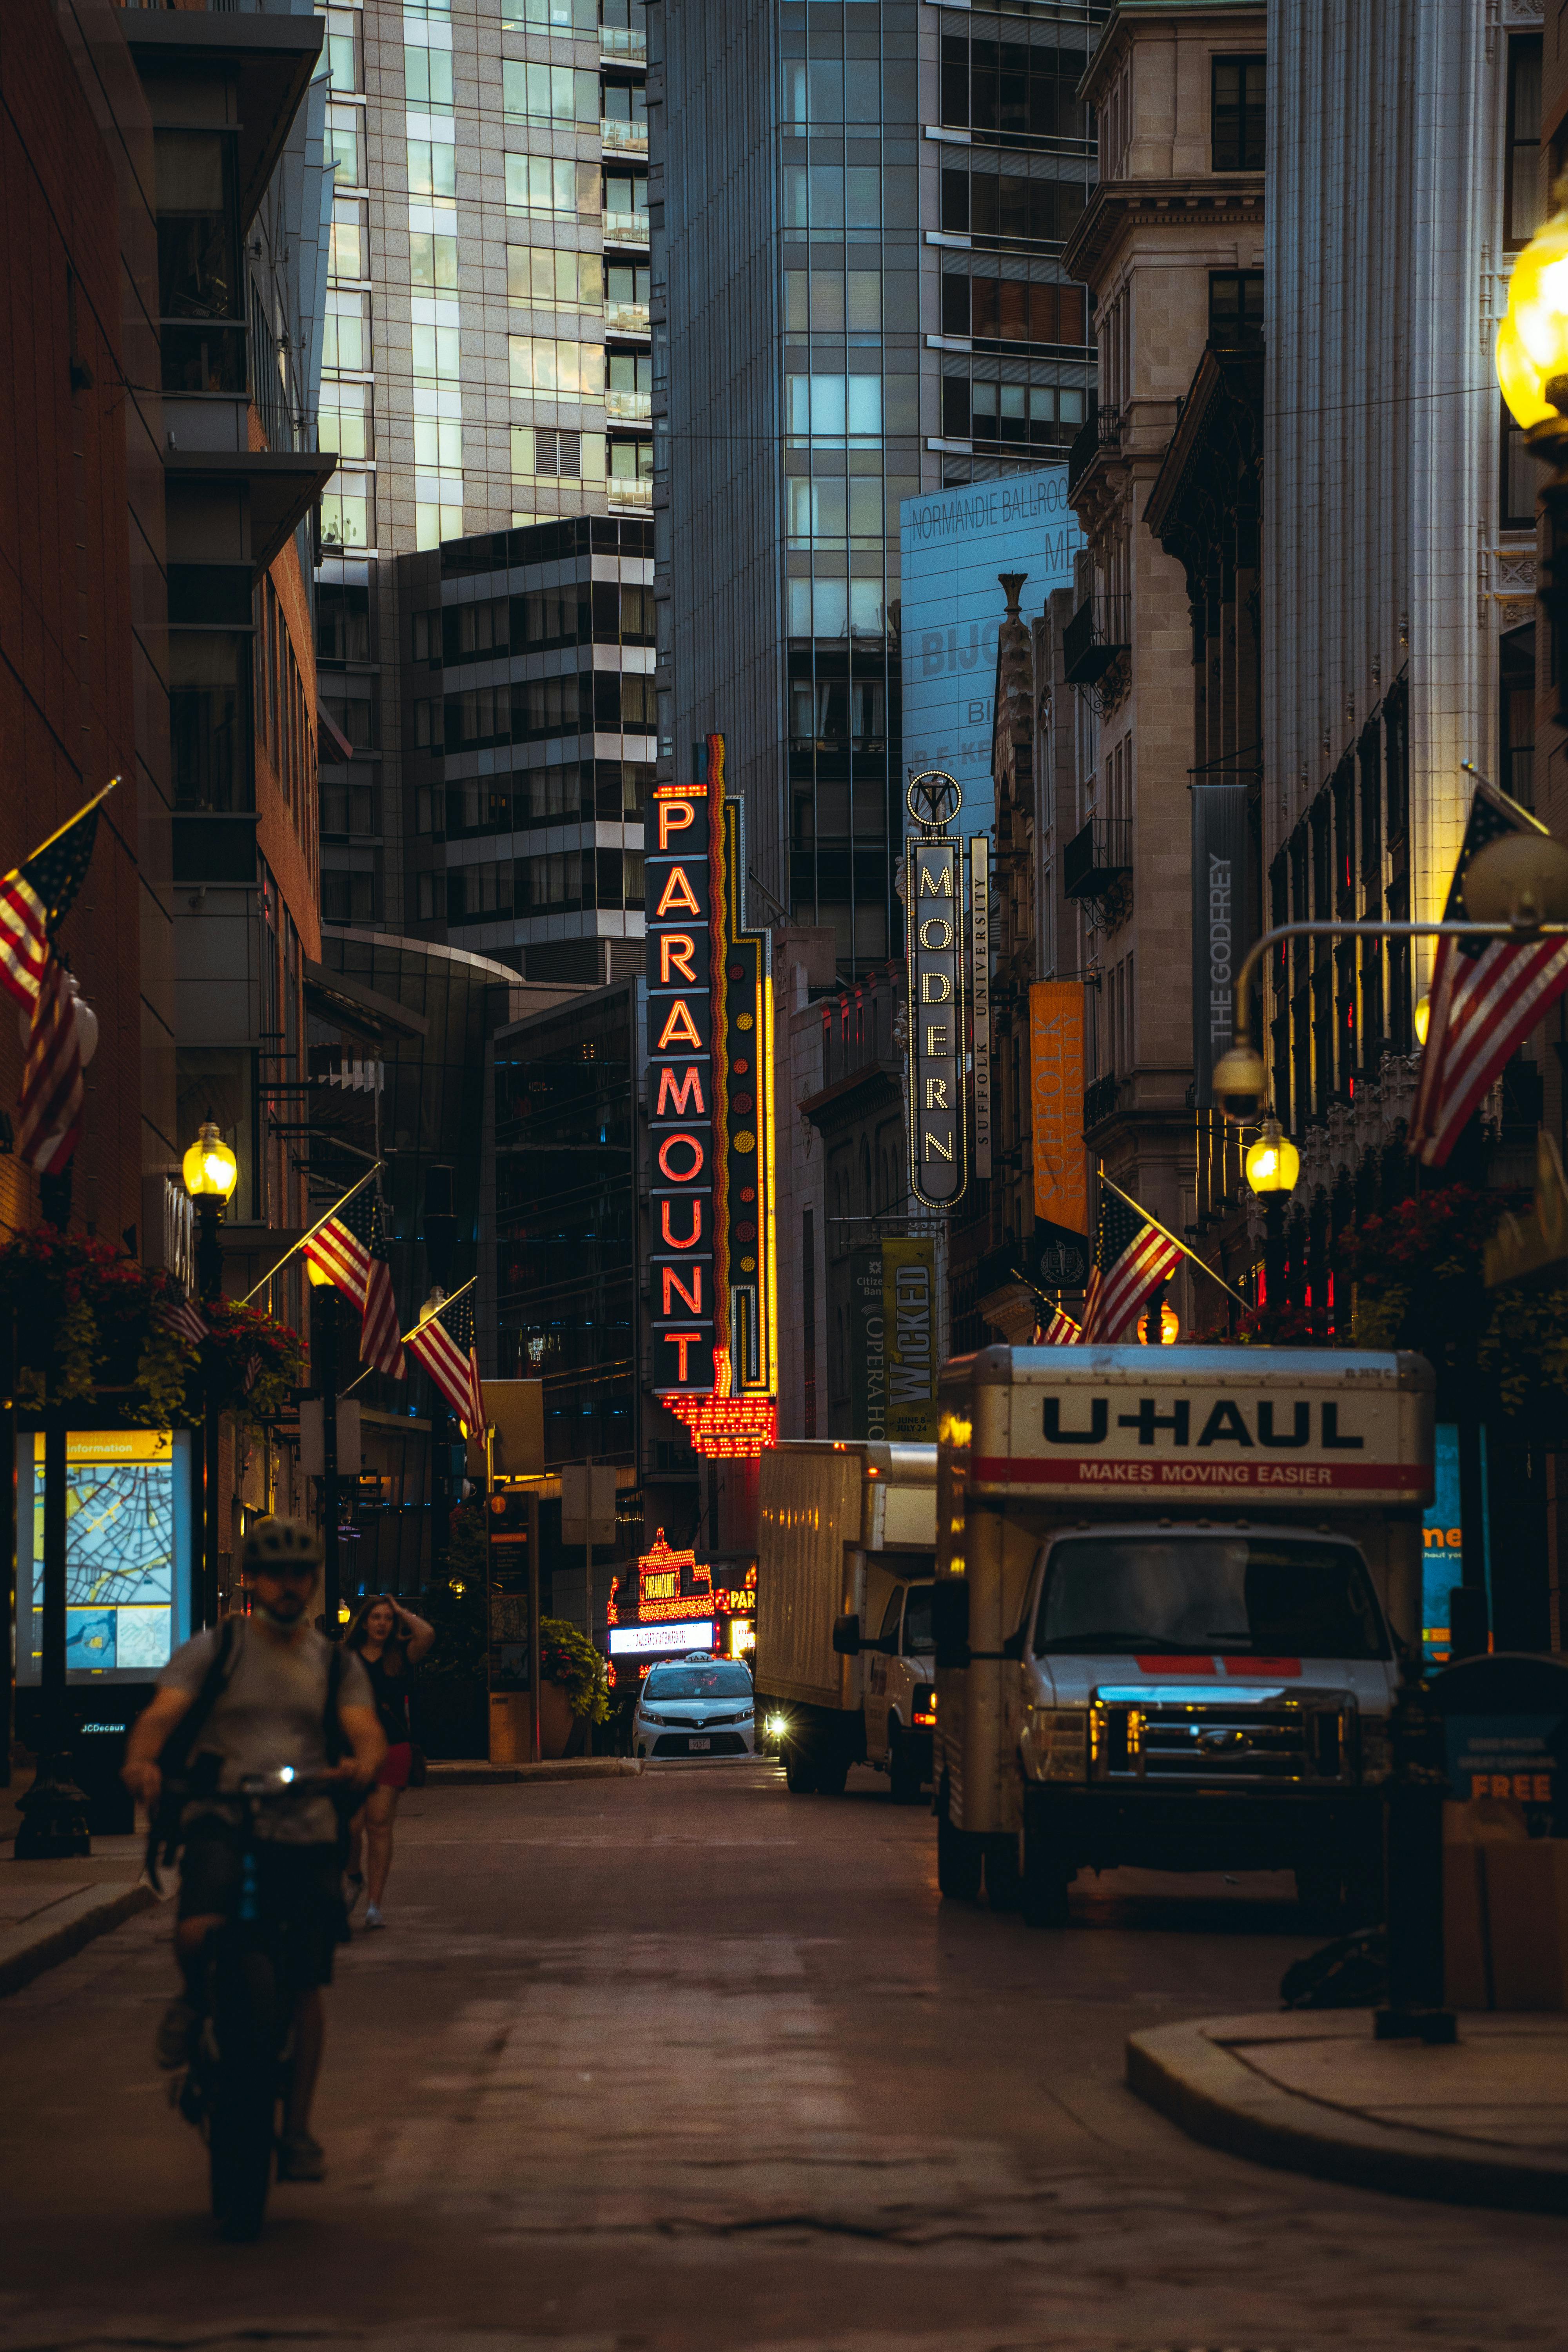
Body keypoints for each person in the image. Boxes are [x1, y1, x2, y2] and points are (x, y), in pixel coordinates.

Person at [121, 1519, 385, 2184]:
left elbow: (365, 1733)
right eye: (276, 1573)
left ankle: (296, 2130)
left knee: (304, 1984)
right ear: (254, 1580)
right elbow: (162, 1715)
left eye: (301, 1573)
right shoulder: (215, 1651)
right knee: (195, 1929)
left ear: (314, 1582)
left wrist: (360, 1766)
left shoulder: (335, 1663)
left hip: (305, 1826)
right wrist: (144, 1764)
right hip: (224, 1817)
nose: (289, 1585)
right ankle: (191, 2000)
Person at [343, 1593, 434, 1928]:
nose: (382, 1624)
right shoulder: (347, 1658)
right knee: (351, 1825)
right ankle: (353, 1876)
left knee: (379, 1826)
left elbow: (427, 1635)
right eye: (376, 1617)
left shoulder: (400, 1656)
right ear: (364, 1622)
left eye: (387, 1619)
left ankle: (374, 1905)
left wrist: (400, 1611)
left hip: (393, 1749)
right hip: (352, 1751)